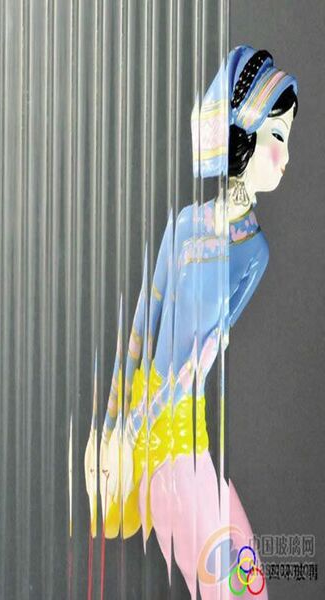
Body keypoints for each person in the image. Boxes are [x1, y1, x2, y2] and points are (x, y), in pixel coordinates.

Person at [89, 46, 298, 599]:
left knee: (240, 583)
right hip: (154, 440)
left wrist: (133, 429)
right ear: (242, 134)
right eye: (277, 136)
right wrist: (112, 429)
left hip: (182, 434)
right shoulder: (182, 227)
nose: (285, 157)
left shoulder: (253, 252)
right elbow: (141, 327)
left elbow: (202, 360)